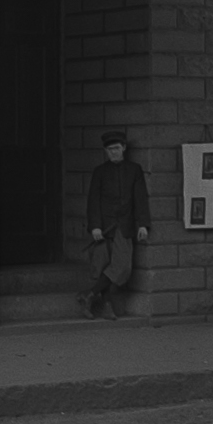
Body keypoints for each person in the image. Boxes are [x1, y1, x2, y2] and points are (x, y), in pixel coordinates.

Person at [84, 129, 149, 318]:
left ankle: (90, 295)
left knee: (122, 268)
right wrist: (95, 226)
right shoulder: (100, 172)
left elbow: (140, 198)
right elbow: (93, 201)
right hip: (104, 228)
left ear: (124, 148)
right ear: (105, 151)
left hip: (124, 226)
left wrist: (143, 224)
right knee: (103, 264)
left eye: (117, 148)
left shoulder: (134, 170)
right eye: (110, 149)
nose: (113, 152)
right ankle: (105, 304)